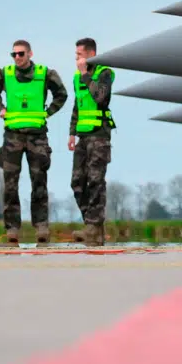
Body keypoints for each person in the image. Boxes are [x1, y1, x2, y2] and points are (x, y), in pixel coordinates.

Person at [0, 39, 67, 244]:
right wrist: (1, 108)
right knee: (10, 184)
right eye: (14, 54)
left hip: (37, 136)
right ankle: (12, 228)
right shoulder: (4, 73)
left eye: (21, 54)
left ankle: (41, 226)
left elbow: (62, 94)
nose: (17, 58)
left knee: (39, 182)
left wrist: (48, 112)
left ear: (30, 54)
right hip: (12, 135)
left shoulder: (45, 73)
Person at [68, 37, 116, 246]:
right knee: (77, 182)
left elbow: (100, 98)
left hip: (99, 134)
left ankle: (92, 228)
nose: (76, 58)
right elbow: (77, 105)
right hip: (82, 136)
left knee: (96, 181)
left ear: (91, 54)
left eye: (79, 54)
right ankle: (93, 226)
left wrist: (86, 75)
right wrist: (71, 132)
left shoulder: (104, 72)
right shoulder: (77, 77)